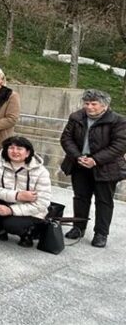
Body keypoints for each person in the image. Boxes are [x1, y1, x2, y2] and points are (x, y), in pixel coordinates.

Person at [59, 89, 126, 248]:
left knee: (104, 201)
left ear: (105, 105)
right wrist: (78, 156)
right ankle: (78, 227)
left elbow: (119, 146)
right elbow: (66, 138)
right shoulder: (76, 117)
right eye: (87, 103)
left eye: (93, 104)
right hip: (80, 164)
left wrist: (95, 160)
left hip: (106, 167)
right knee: (80, 197)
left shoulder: (118, 121)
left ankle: (101, 234)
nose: (89, 107)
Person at [0, 136, 52, 247]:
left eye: (19, 149)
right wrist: (17, 196)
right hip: (8, 202)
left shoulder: (41, 172)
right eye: (11, 148)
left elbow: (42, 203)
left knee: (11, 224)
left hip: (31, 211)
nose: (14, 151)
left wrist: (11, 210)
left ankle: (27, 234)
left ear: (28, 153)